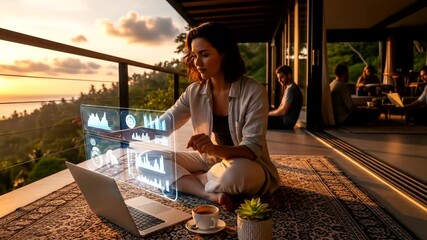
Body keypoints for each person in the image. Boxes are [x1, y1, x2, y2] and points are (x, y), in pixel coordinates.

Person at [161, 22, 280, 211]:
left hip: (247, 164)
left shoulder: (254, 91)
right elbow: (165, 123)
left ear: (224, 53)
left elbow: (251, 149)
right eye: (194, 55)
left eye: (205, 55)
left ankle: (198, 179)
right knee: (148, 160)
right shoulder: (194, 91)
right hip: (210, 162)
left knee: (235, 177)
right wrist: (122, 133)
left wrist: (213, 148)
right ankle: (208, 192)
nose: (197, 63)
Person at [267, 65, 303, 129]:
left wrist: (268, 114)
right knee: (263, 107)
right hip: (282, 119)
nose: (279, 80)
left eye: (281, 77)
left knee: (258, 118)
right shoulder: (289, 88)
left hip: (284, 122)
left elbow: (284, 111)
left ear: (289, 76)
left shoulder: (292, 89)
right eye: (278, 78)